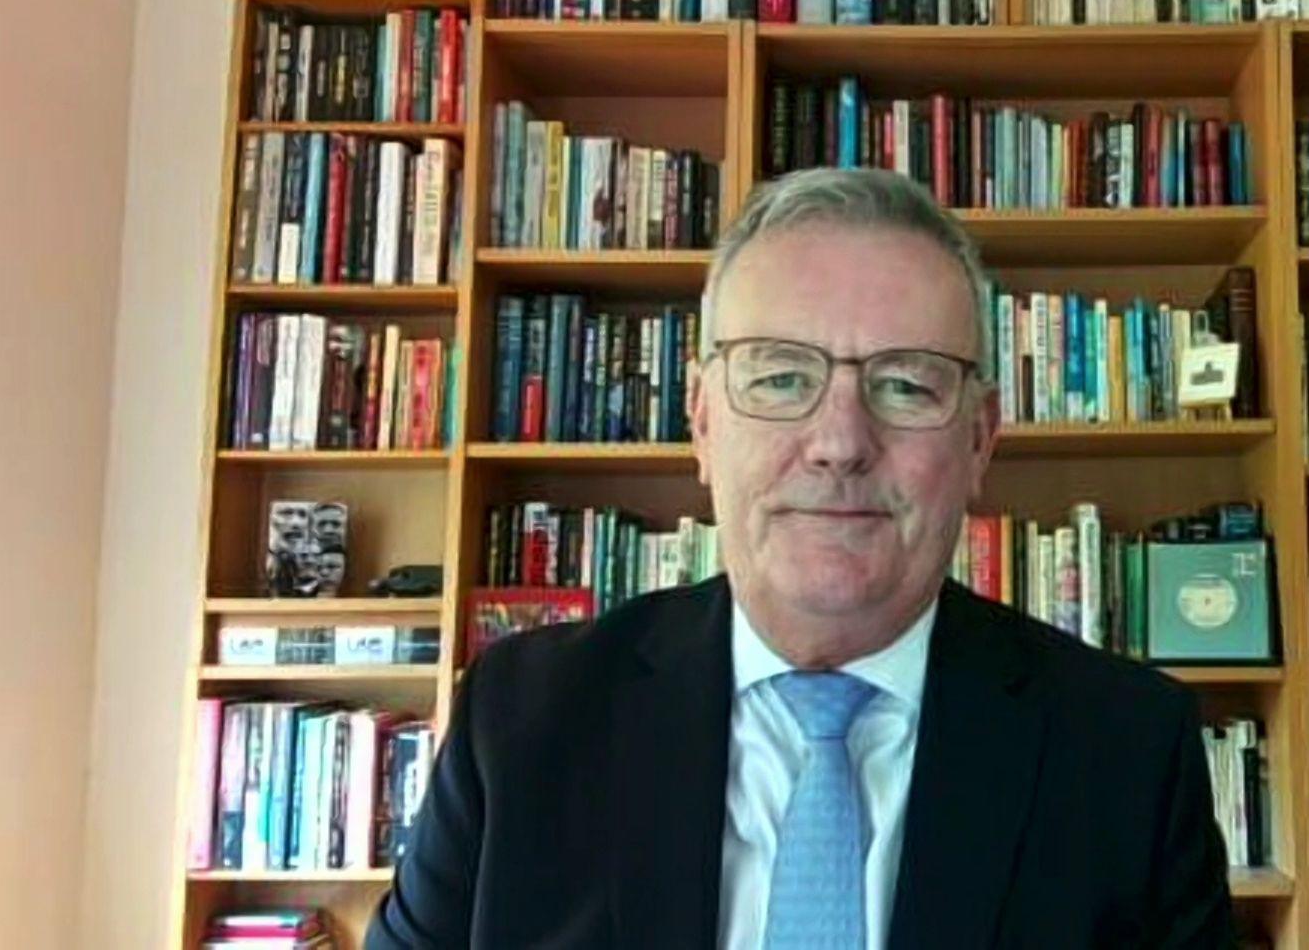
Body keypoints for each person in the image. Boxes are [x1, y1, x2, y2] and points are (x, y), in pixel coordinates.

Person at [366, 167, 1237, 949]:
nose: (839, 443)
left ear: (979, 441)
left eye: (905, 383)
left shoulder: (1127, 750)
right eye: (781, 377)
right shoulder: (520, 722)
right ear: (703, 424)